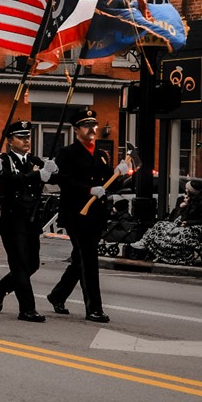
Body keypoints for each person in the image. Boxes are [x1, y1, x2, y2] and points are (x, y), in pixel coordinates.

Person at [46, 108, 128, 323]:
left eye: (94, 124)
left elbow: (110, 183)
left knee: (80, 260)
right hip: (76, 214)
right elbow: (64, 180)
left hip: (96, 215)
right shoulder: (67, 153)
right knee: (89, 260)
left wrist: (121, 173)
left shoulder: (101, 154)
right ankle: (94, 308)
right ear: (76, 130)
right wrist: (88, 190)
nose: (92, 128)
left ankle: (58, 295)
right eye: (86, 125)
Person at [0, 121, 52, 323]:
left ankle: (1, 286)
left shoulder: (34, 160)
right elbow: (6, 180)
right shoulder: (4, 160)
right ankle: (27, 309)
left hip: (31, 220)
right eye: (21, 137)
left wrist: (52, 170)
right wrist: (36, 175)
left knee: (32, 264)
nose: (26, 140)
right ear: (10, 141)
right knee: (19, 264)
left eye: (27, 137)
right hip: (12, 220)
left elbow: (52, 178)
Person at [130, 180, 202, 264]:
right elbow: (180, 217)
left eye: (187, 189)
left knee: (174, 232)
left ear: (191, 191)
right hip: (186, 225)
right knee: (159, 225)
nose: (185, 191)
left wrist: (188, 222)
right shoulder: (190, 201)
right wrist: (183, 207)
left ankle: (168, 255)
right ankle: (146, 243)